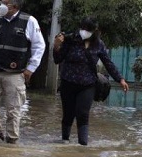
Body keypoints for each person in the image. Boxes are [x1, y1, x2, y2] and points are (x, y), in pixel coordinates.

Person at [0, 0, 45, 144]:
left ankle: (11, 141)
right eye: (1, 2)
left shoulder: (29, 21)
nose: (1, 6)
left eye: (5, 3)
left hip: (16, 74)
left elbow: (39, 46)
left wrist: (31, 68)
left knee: (13, 110)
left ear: (14, 6)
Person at [52, 17, 129, 145]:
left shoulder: (99, 44)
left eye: (88, 30)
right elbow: (57, 59)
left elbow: (108, 63)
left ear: (94, 31)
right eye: (83, 28)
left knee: (83, 113)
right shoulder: (70, 40)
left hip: (87, 84)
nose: (84, 31)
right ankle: (64, 141)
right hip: (68, 83)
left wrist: (120, 79)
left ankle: (83, 146)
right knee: (68, 114)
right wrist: (56, 45)